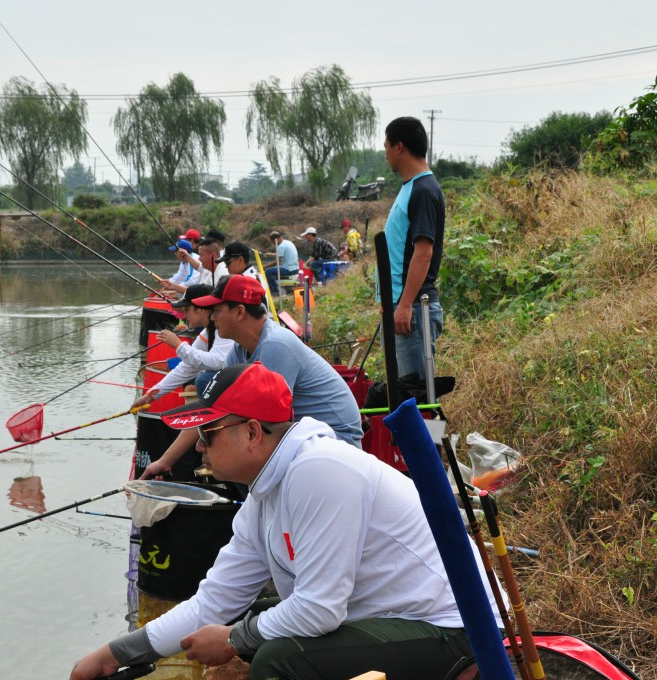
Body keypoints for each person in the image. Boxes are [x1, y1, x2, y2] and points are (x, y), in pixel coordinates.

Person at [70, 362, 502, 680]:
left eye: (207, 433)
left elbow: (319, 609)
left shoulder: (321, 470)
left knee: (277, 657)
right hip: (392, 620)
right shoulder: (263, 494)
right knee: (260, 614)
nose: (198, 448)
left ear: (253, 432)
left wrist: (234, 640)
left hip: (461, 630)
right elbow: (211, 604)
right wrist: (113, 653)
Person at [141, 275, 363, 481]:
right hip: (300, 436)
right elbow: (213, 409)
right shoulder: (239, 349)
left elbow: (270, 424)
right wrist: (165, 461)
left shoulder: (275, 346)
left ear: (239, 312)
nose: (213, 317)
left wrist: (213, 447)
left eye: (217, 310)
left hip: (336, 441)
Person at [380, 116, 445, 380]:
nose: (385, 153)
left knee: (419, 397)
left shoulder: (423, 190)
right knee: (408, 395)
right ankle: (427, 425)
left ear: (399, 147)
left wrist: (406, 305)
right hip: (401, 306)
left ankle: (434, 426)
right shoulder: (410, 188)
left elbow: (424, 252)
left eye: (386, 146)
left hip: (414, 309)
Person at [132, 284, 233, 408]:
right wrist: (149, 396)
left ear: (201, 309)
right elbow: (187, 367)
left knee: (203, 378)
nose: (184, 316)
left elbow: (218, 362)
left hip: (241, 384)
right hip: (231, 381)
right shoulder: (207, 332)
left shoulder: (224, 328)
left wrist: (178, 345)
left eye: (187, 310)